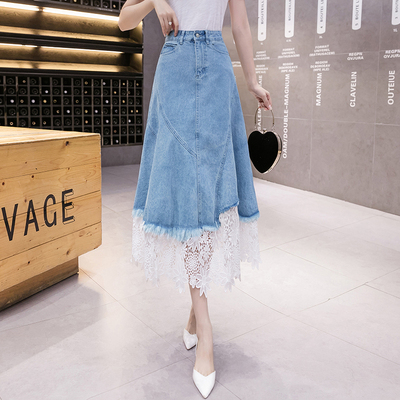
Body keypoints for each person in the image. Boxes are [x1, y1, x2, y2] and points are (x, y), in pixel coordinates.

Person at [119, 0, 272, 397]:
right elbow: (123, 19)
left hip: (217, 69)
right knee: (188, 194)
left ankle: (194, 312)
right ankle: (205, 330)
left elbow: (240, 25)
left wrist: (252, 81)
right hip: (175, 68)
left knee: (210, 194)